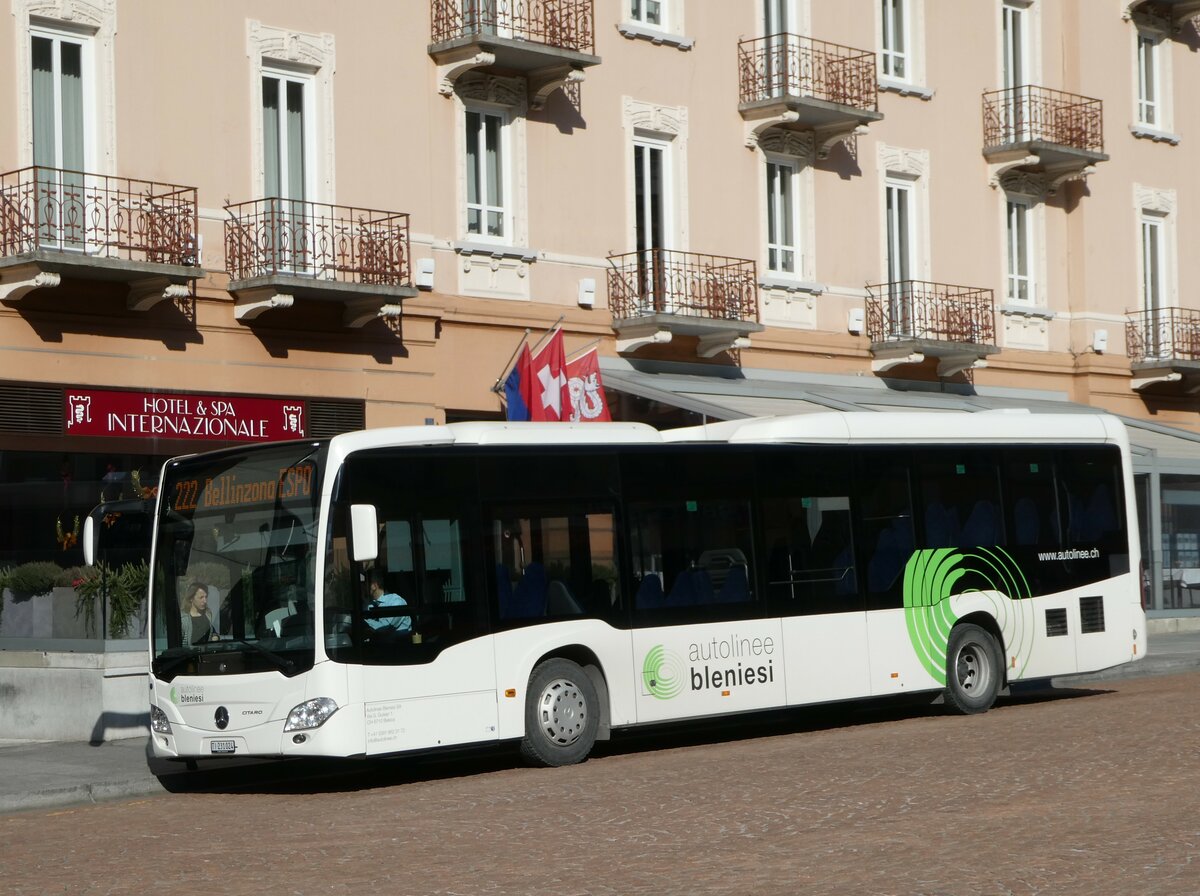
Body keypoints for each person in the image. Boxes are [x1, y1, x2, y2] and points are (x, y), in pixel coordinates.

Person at [365, 569, 411, 634]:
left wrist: (364, 622)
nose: (364, 587)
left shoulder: (396, 602)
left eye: (365, 584)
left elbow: (385, 627)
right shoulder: (370, 604)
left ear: (374, 586)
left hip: (399, 641)